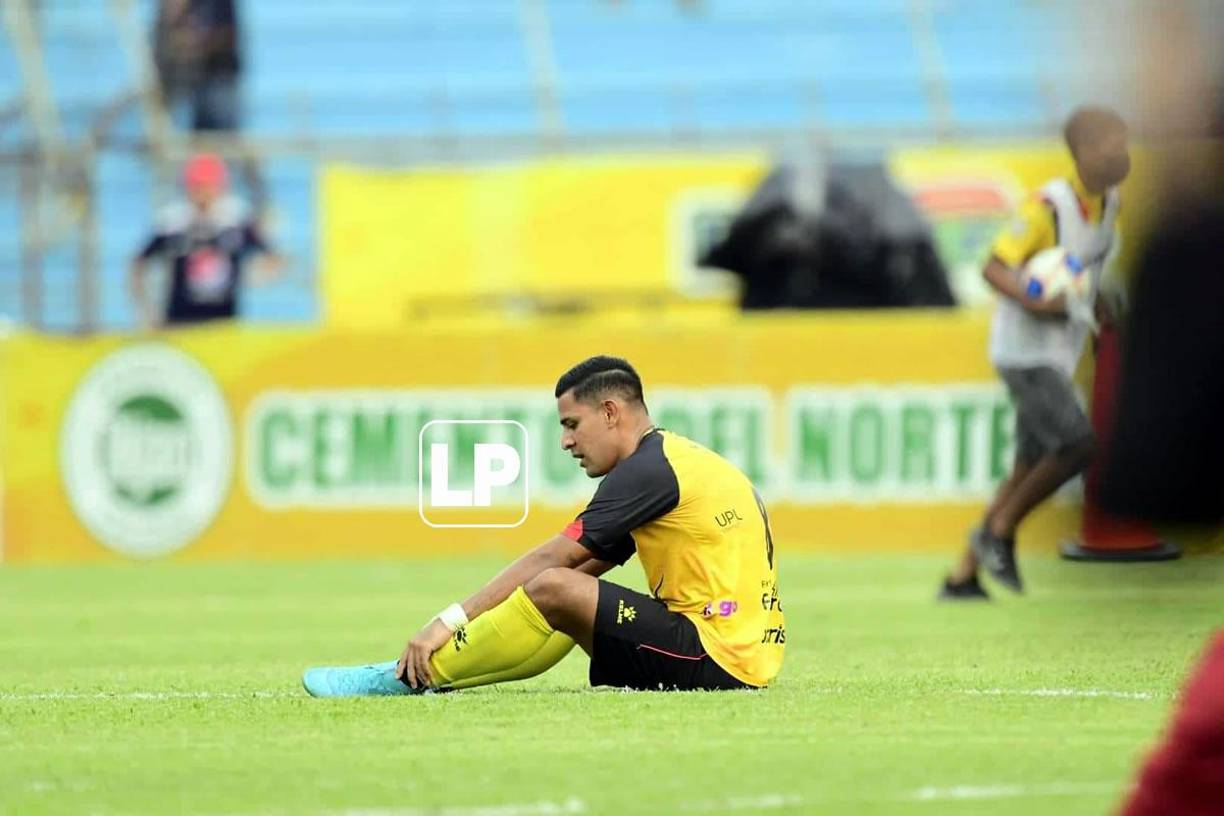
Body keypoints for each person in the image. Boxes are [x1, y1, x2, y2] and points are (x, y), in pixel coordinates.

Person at [303, 355, 786, 695]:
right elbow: (579, 568)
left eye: (572, 424)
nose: (565, 442)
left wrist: (442, 624)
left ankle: (408, 675)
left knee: (557, 584)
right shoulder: (675, 461)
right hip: (743, 656)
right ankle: (423, 673)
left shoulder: (647, 470)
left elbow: (553, 560)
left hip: (717, 657)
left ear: (611, 412)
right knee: (564, 589)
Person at [939, 106, 1131, 600]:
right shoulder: (1046, 206)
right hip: (1025, 352)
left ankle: (961, 576)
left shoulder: (1110, 203)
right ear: (1083, 152)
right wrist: (1036, 299)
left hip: (1058, 350)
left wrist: (1097, 305)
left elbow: (1085, 274)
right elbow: (994, 267)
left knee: (1028, 464)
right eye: (1112, 144)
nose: (1122, 154)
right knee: (1077, 444)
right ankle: (997, 531)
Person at [129, 153, 282, 329]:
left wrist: (253, 277)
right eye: (197, 187)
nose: (202, 194)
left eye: (208, 187)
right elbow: (138, 264)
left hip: (224, 323)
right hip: (180, 324)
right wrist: (146, 311)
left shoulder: (235, 220)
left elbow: (273, 257)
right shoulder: (173, 222)